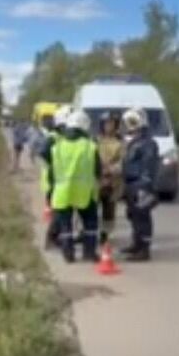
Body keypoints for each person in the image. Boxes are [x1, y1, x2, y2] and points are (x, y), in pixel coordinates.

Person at [43, 110, 100, 263]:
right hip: (85, 193)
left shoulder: (57, 147)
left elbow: (51, 173)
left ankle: (68, 254)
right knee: (90, 224)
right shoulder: (90, 146)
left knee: (65, 225)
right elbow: (98, 170)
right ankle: (89, 253)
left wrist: (51, 192)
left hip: (62, 192)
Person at [121, 107, 159, 262]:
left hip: (141, 184)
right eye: (129, 122)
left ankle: (144, 249)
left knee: (142, 217)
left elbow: (148, 166)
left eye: (133, 121)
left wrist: (145, 185)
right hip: (132, 183)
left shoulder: (148, 143)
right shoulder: (135, 141)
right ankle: (136, 243)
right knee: (134, 216)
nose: (130, 125)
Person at [40, 105, 71, 249]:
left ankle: (55, 237)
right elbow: (43, 153)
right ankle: (52, 238)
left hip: (60, 181)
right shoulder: (53, 137)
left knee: (60, 211)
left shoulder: (61, 136)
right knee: (58, 212)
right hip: (53, 181)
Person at [96, 112, 124, 245]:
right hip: (96, 182)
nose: (109, 126)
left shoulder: (120, 143)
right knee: (90, 209)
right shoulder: (96, 141)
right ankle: (87, 233)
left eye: (112, 124)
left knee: (109, 212)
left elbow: (123, 161)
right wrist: (99, 169)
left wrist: (111, 170)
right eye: (106, 123)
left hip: (113, 183)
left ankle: (105, 235)